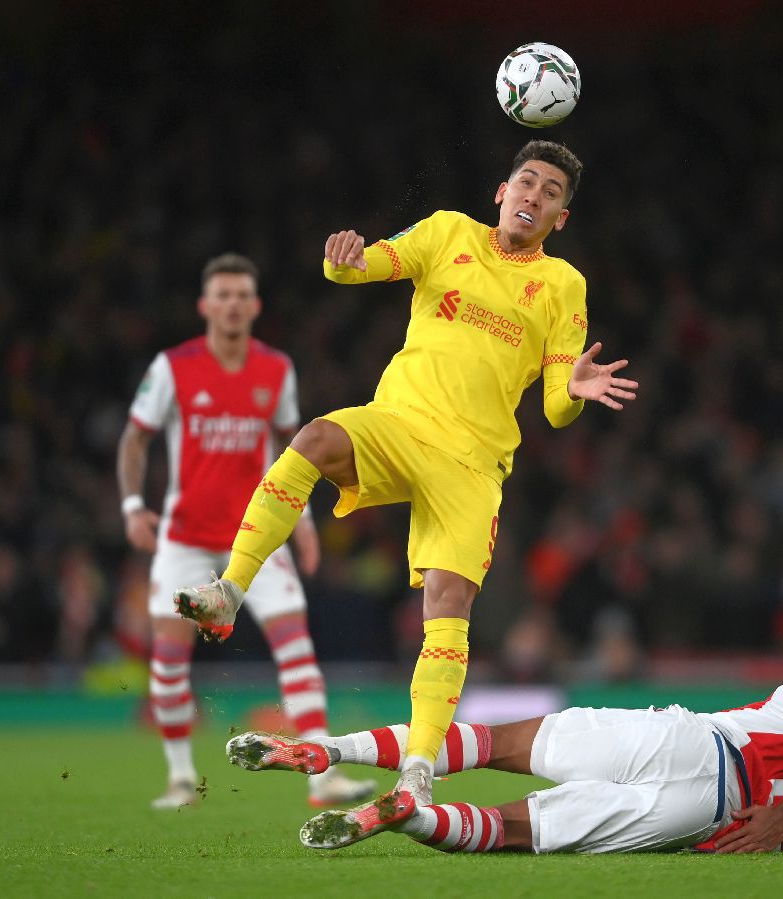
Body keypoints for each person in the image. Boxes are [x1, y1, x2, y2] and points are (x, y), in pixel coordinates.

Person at [172, 141, 640, 809]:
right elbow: (370, 264)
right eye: (527, 181)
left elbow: (557, 408)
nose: (536, 195)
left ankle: (417, 769)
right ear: (501, 191)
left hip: (473, 463)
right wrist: (342, 263)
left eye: (553, 192)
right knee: (314, 438)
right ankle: (227, 591)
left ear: (561, 218)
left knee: (447, 608)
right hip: (399, 422)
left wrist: (577, 386)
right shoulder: (446, 230)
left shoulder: (564, 286)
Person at [118, 252, 377, 810]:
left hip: (253, 541)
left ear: (255, 306)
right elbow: (135, 437)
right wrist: (134, 505)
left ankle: (320, 777)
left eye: (242, 295)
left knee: (296, 649)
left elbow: (295, 454)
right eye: (223, 295)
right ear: (205, 306)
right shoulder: (173, 367)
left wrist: (303, 522)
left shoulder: (276, 370)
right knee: (167, 658)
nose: (233, 304)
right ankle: (182, 778)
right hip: (184, 541)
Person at [226, 683, 783, 854]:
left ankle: (331, 748)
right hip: (696, 814)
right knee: (513, 831)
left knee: (492, 740)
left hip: (697, 740)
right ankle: (411, 816)